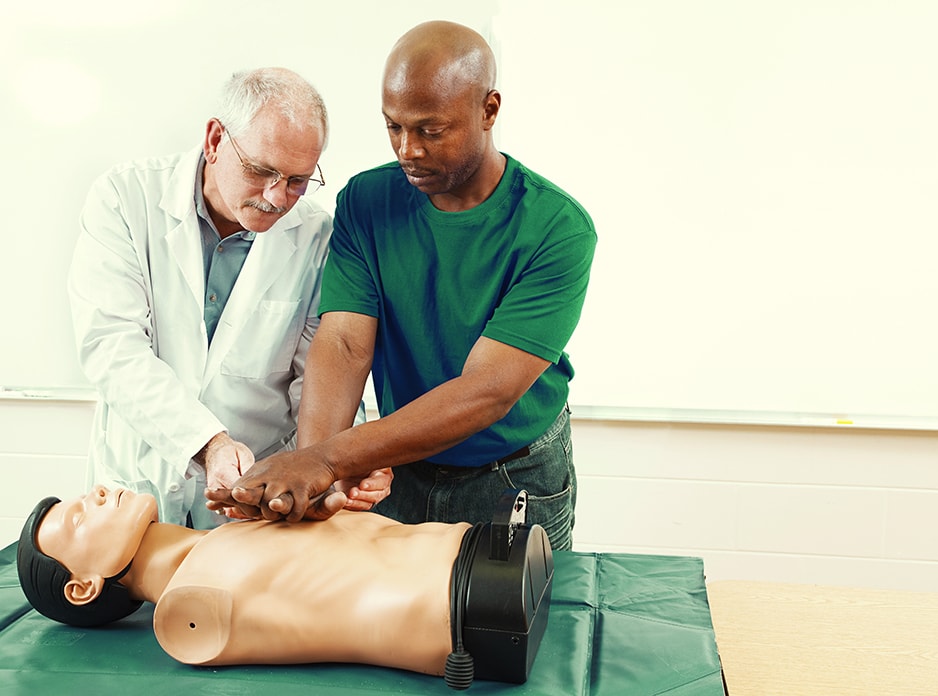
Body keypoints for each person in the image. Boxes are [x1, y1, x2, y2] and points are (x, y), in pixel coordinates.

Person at [207, 21, 597, 550]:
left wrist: (325, 459)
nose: (408, 150)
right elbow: (344, 345)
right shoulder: (366, 201)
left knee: (511, 608)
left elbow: (486, 391)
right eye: (393, 127)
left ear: (488, 110)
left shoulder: (557, 227)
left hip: (512, 475)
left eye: (431, 131)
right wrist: (316, 476)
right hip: (396, 467)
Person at [67, 67, 390, 529]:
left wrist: (341, 460)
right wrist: (209, 444)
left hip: (258, 500)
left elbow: (319, 377)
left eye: (298, 181)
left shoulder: (317, 236)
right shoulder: (125, 199)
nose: (277, 197)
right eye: (261, 171)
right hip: (139, 484)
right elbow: (111, 348)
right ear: (215, 140)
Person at [16, 484, 553, 688]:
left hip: (480, 553)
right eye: (78, 519)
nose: (98, 493)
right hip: (469, 605)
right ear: (83, 587)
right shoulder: (187, 615)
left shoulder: (220, 539)